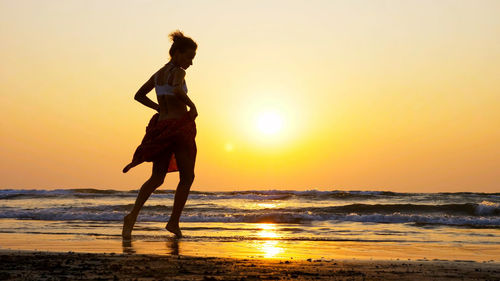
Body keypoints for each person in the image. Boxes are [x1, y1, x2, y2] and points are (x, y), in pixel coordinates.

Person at [121, 30, 198, 239]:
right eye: (189, 57)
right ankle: (173, 222)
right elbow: (176, 91)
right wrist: (192, 106)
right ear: (178, 53)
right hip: (179, 128)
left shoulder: (158, 74)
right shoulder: (178, 72)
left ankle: (132, 216)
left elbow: (138, 95)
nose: (190, 63)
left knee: (157, 177)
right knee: (187, 176)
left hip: (162, 127)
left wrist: (158, 109)